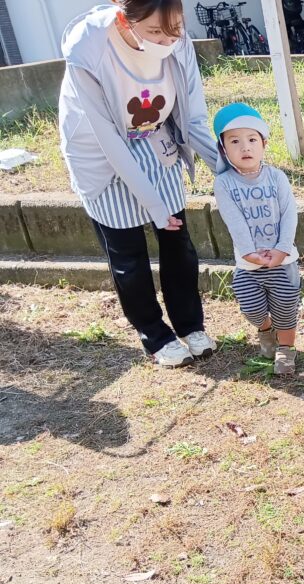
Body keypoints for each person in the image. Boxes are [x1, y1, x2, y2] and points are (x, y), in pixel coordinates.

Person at [58, 0, 220, 367]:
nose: (168, 40)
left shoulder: (177, 41)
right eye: (155, 32)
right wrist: (152, 204)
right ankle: (154, 334)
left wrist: (226, 167)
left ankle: (190, 325)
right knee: (129, 257)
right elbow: (107, 138)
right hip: (102, 155)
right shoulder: (88, 50)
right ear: (122, 19)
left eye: (175, 28)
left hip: (155, 139)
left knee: (178, 241)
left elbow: (193, 117)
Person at [212, 103, 300, 376]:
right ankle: (264, 329)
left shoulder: (277, 177)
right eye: (234, 141)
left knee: (286, 308)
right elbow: (233, 220)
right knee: (251, 307)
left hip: (283, 261)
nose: (245, 147)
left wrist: (282, 249)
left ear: (264, 143)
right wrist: (249, 252)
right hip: (248, 264)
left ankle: (286, 349)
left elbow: (289, 214)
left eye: (252, 140)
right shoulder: (224, 183)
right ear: (224, 149)